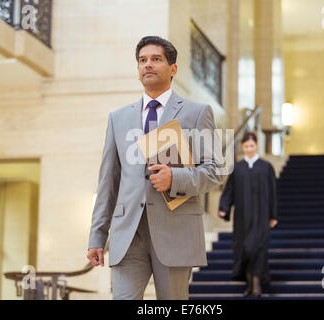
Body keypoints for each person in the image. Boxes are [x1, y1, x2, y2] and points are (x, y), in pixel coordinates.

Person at [87, 36, 225, 300]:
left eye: (156, 59)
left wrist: (177, 177)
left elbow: (216, 169)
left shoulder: (197, 113)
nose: (147, 65)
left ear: (173, 69)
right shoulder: (118, 118)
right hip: (128, 234)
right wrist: (97, 235)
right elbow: (108, 182)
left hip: (176, 232)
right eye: (142, 60)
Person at [218, 132, 278, 297]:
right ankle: (250, 284)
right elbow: (229, 191)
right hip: (242, 219)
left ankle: (256, 286)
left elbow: (273, 193)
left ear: (256, 145)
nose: (249, 149)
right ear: (242, 147)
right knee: (244, 250)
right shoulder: (237, 168)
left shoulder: (266, 167)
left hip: (261, 217)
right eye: (246, 146)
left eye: (251, 145)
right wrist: (224, 207)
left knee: (258, 249)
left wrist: (273, 216)